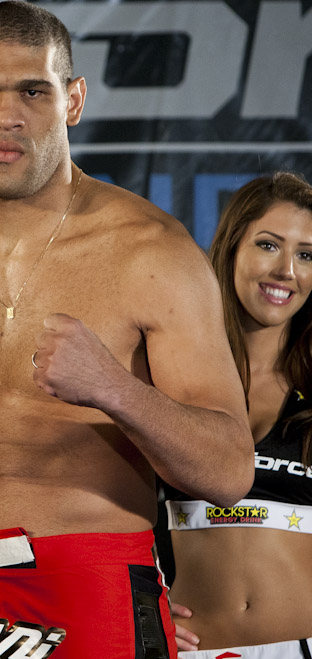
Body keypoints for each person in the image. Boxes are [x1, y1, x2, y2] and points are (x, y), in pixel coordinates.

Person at [0, 1, 253, 659]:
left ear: (74, 100)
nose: (6, 114)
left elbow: (230, 470)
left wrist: (115, 389)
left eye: (33, 91)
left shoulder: (151, 252)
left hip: (86, 582)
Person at [165, 172, 312, 658]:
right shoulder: (169, 377)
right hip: (189, 648)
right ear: (231, 247)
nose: (286, 271)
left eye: (307, 255)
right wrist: (138, 603)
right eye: (269, 245)